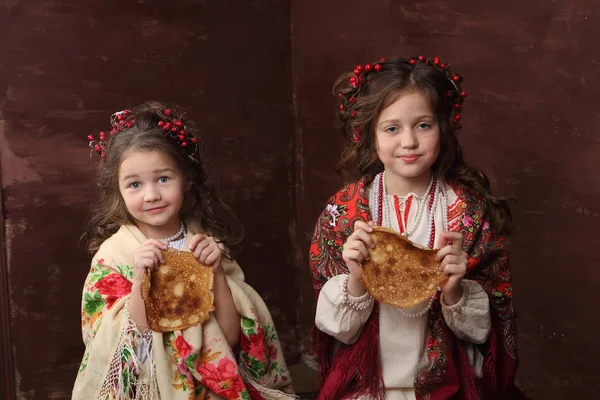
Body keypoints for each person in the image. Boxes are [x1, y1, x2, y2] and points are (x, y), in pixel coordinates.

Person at [309, 56, 525, 399]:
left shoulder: (465, 210)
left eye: (423, 125)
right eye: (392, 128)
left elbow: (486, 329)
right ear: (370, 135)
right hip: (370, 380)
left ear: (443, 128)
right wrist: (356, 278)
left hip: (445, 377)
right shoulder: (346, 211)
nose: (409, 142)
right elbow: (339, 331)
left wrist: (455, 290)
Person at [73, 102, 294, 399]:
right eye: (134, 184)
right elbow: (128, 346)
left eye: (164, 179)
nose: (152, 195)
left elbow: (228, 337)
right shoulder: (114, 257)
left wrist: (215, 272)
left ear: (186, 179)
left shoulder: (204, 244)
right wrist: (140, 279)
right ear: (118, 191)